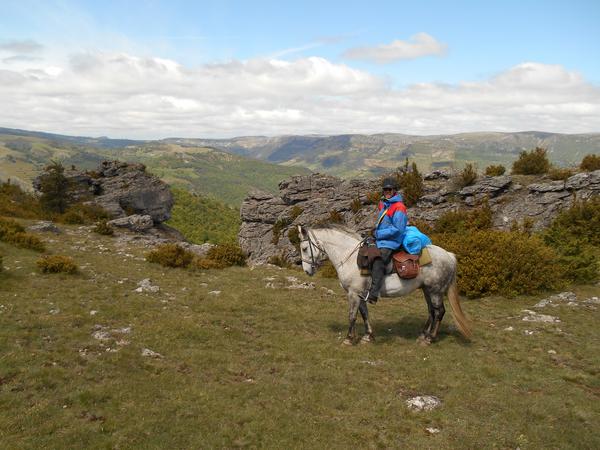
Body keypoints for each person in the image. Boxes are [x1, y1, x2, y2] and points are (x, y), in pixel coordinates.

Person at [362, 177, 408, 304]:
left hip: (392, 241)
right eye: (385, 189)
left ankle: (373, 294)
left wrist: (378, 233)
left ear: (394, 190)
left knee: (378, 259)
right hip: (381, 238)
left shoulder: (399, 207)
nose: (387, 191)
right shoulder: (384, 203)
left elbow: (398, 229)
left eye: (389, 189)